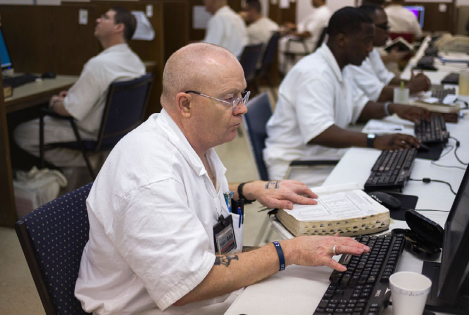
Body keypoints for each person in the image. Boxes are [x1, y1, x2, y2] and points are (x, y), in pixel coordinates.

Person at [74, 43, 370, 315]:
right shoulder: (149, 174)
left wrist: (248, 189)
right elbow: (190, 285)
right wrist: (289, 250)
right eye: (229, 99)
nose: (241, 108)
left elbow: (191, 195)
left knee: (319, 284)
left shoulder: (187, 140)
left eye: (242, 95)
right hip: (159, 306)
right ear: (186, 104)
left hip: (200, 293)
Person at [264, 7, 428, 188]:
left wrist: (393, 108)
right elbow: (320, 132)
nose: (370, 48)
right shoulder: (314, 74)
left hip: (321, 156)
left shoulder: (342, 67)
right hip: (298, 167)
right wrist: (376, 139)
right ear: (342, 40)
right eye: (366, 41)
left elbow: (360, 107)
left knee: (389, 168)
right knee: (383, 180)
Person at [14, 7, 145, 168]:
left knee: (21, 132)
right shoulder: (136, 62)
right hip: (119, 131)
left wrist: (55, 102)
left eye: (105, 17)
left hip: (90, 132)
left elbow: (69, 110)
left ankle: (90, 161)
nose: (97, 20)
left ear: (119, 27)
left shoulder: (98, 65)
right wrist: (73, 96)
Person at [345, 5, 431, 103]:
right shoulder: (353, 56)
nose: (388, 32)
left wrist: (411, 83)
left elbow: (385, 78)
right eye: (384, 27)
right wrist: (412, 86)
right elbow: (377, 94)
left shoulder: (371, 50)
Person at [278, 0, 331, 73]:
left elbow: (308, 33)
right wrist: (295, 27)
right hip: (307, 42)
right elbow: (306, 27)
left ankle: (289, 72)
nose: (311, 1)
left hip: (307, 44)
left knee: (281, 43)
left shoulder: (321, 14)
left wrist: (291, 33)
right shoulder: (321, 11)